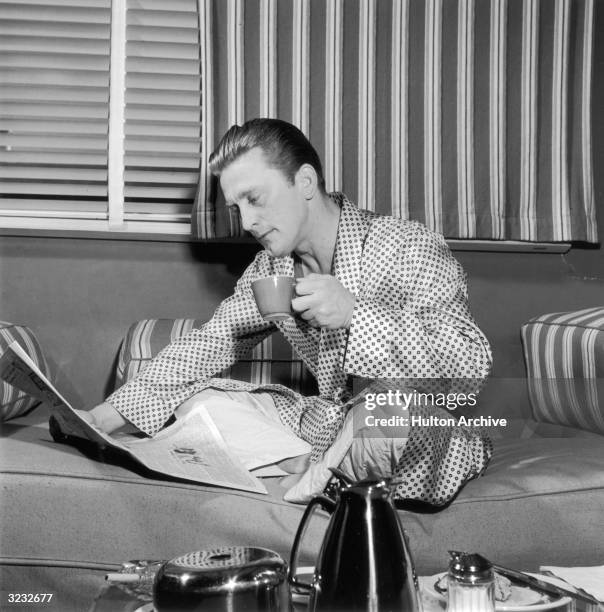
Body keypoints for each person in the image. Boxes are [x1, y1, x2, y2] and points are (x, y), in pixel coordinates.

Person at [64, 118, 492, 505]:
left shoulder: (406, 245)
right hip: (321, 429)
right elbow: (209, 343)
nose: (247, 221)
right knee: (199, 402)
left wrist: (355, 315)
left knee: (388, 413)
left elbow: (471, 366)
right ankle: (318, 474)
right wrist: (99, 418)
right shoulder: (272, 268)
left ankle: (324, 476)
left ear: (305, 181)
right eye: (237, 208)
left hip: (406, 423)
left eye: (255, 198)